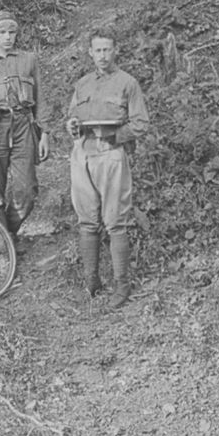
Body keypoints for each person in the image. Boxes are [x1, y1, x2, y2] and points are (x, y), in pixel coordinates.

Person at [65, 29, 150, 309]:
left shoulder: (128, 83)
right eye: (97, 50)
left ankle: (121, 285)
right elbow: (72, 117)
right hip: (83, 154)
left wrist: (117, 136)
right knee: (87, 220)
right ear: (90, 53)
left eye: (107, 50)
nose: (102, 55)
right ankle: (91, 282)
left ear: (115, 51)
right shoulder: (83, 84)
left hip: (111, 154)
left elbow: (140, 123)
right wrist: (72, 126)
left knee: (115, 221)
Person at [0, 9, 51, 249]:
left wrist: (44, 133)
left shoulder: (29, 60)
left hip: (23, 126)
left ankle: (6, 233)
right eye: (2, 32)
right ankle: (4, 253)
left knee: (27, 190)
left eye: (12, 32)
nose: (7, 37)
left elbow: (40, 98)